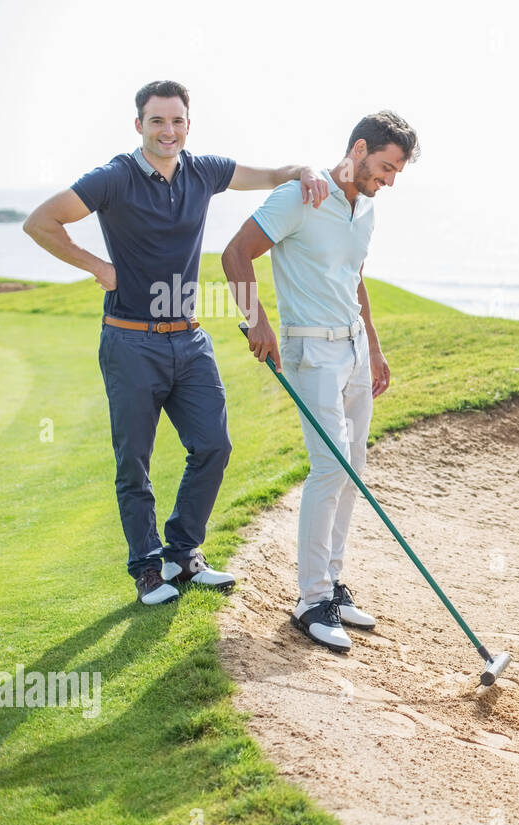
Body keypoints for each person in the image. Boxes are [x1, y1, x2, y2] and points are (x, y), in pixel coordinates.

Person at [23, 80, 330, 606]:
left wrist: (306, 171)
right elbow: (39, 222)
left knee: (213, 446)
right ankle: (146, 568)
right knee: (134, 463)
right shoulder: (114, 177)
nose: (168, 131)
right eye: (157, 121)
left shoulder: (203, 171)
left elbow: (271, 175)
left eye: (177, 121)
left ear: (189, 125)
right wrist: (99, 267)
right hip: (130, 342)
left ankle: (183, 553)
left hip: (188, 340)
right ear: (139, 124)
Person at [222, 111, 417, 652]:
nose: (390, 180)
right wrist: (253, 318)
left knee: (352, 467)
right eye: (385, 166)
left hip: (354, 349)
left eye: (397, 170)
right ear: (358, 149)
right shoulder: (299, 198)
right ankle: (310, 603)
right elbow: (235, 254)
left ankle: (330, 582)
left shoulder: (367, 209)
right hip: (311, 350)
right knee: (329, 465)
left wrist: (373, 346)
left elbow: (355, 278)